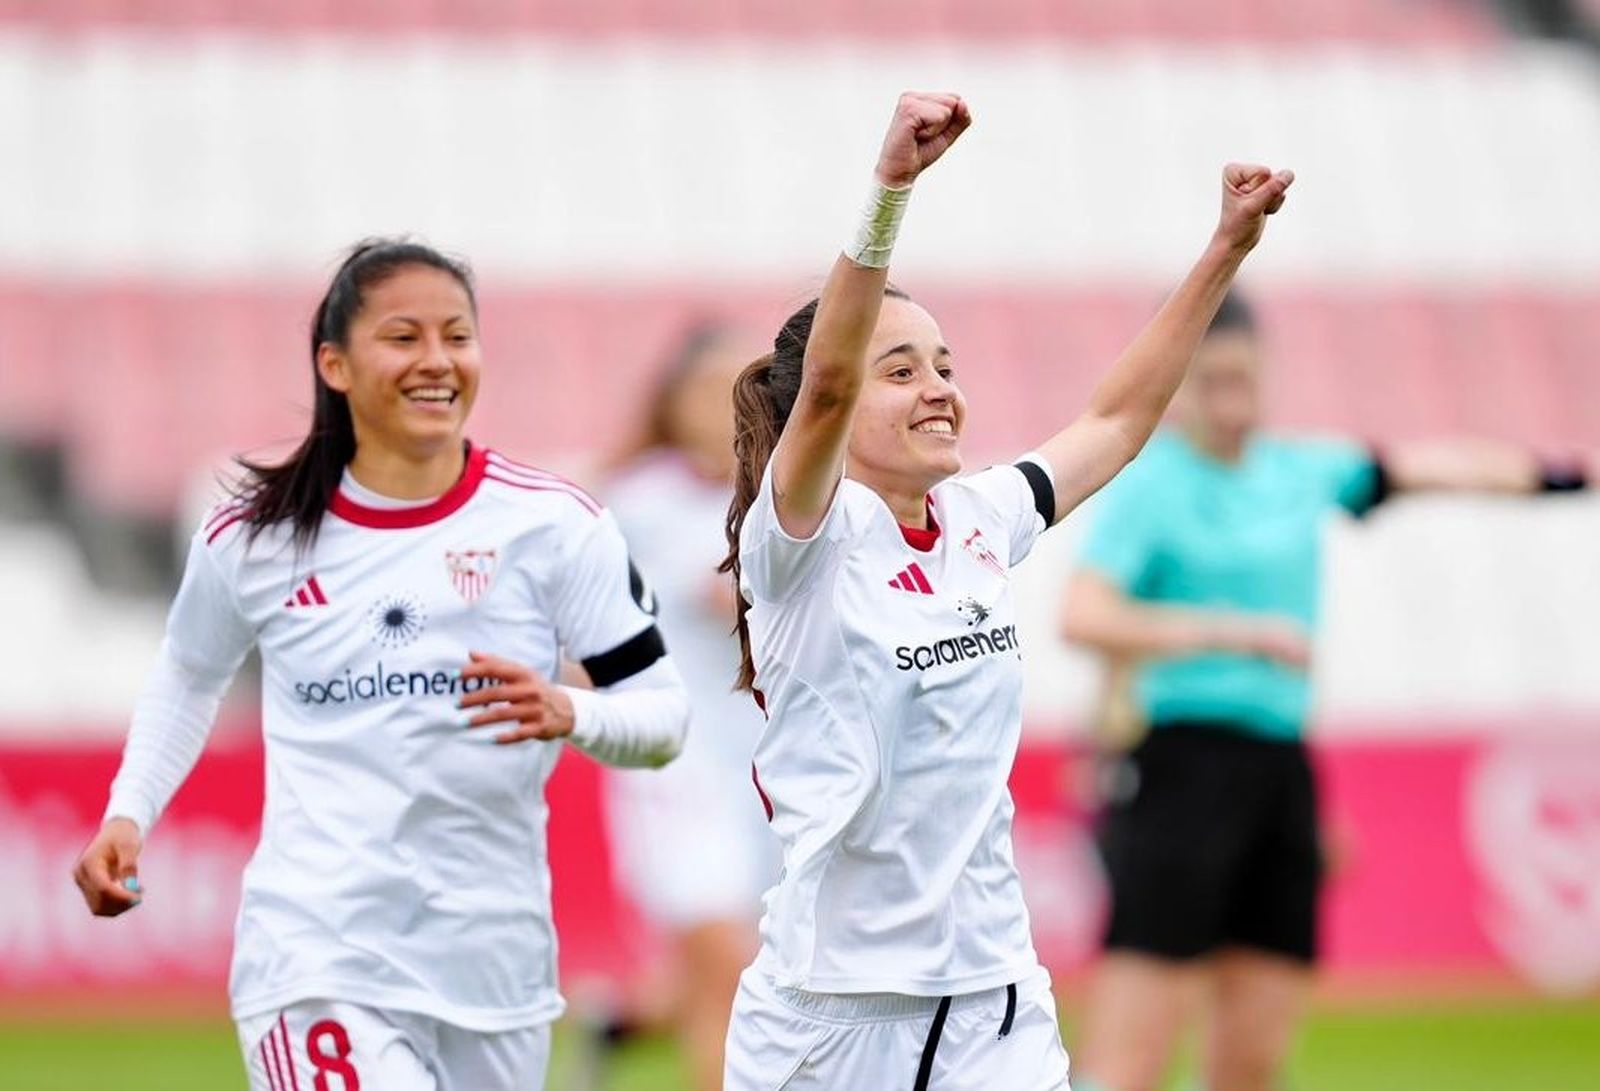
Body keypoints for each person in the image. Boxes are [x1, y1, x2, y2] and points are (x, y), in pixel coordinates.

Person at [718, 90, 1294, 1091]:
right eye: (901, 370)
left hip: (993, 999)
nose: (939, 387)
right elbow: (827, 386)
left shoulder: (980, 519)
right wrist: (890, 189)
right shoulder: (801, 541)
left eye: (945, 365)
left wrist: (1223, 251)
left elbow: (1114, 421)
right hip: (832, 1016)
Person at [71, 239, 689, 1091]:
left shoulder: (555, 526)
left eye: (458, 336)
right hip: (320, 956)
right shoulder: (254, 536)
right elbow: (187, 672)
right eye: (404, 337)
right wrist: (128, 811)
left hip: (496, 973)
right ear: (336, 363)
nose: (437, 361)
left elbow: (663, 721)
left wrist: (566, 710)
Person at [1060, 290, 1589, 1091]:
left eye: (1244, 380)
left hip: (1279, 768)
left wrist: (1563, 476)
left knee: (1254, 1055)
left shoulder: (1298, 470)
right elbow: (1085, 613)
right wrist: (1228, 630)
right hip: (1180, 766)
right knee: (1130, 1058)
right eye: (1212, 384)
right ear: (1182, 388)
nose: (1231, 402)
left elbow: (1434, 469)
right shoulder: (1152, 484)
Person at [599, 325, 778, 1091]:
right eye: (705, 390)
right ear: (671, 405)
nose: (723, 408)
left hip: (772, 770)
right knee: (729, 972)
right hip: (677, 767)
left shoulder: (782, 495)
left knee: (758, 978)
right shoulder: (642, 504)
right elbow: (724, 596)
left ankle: (618, 1023)